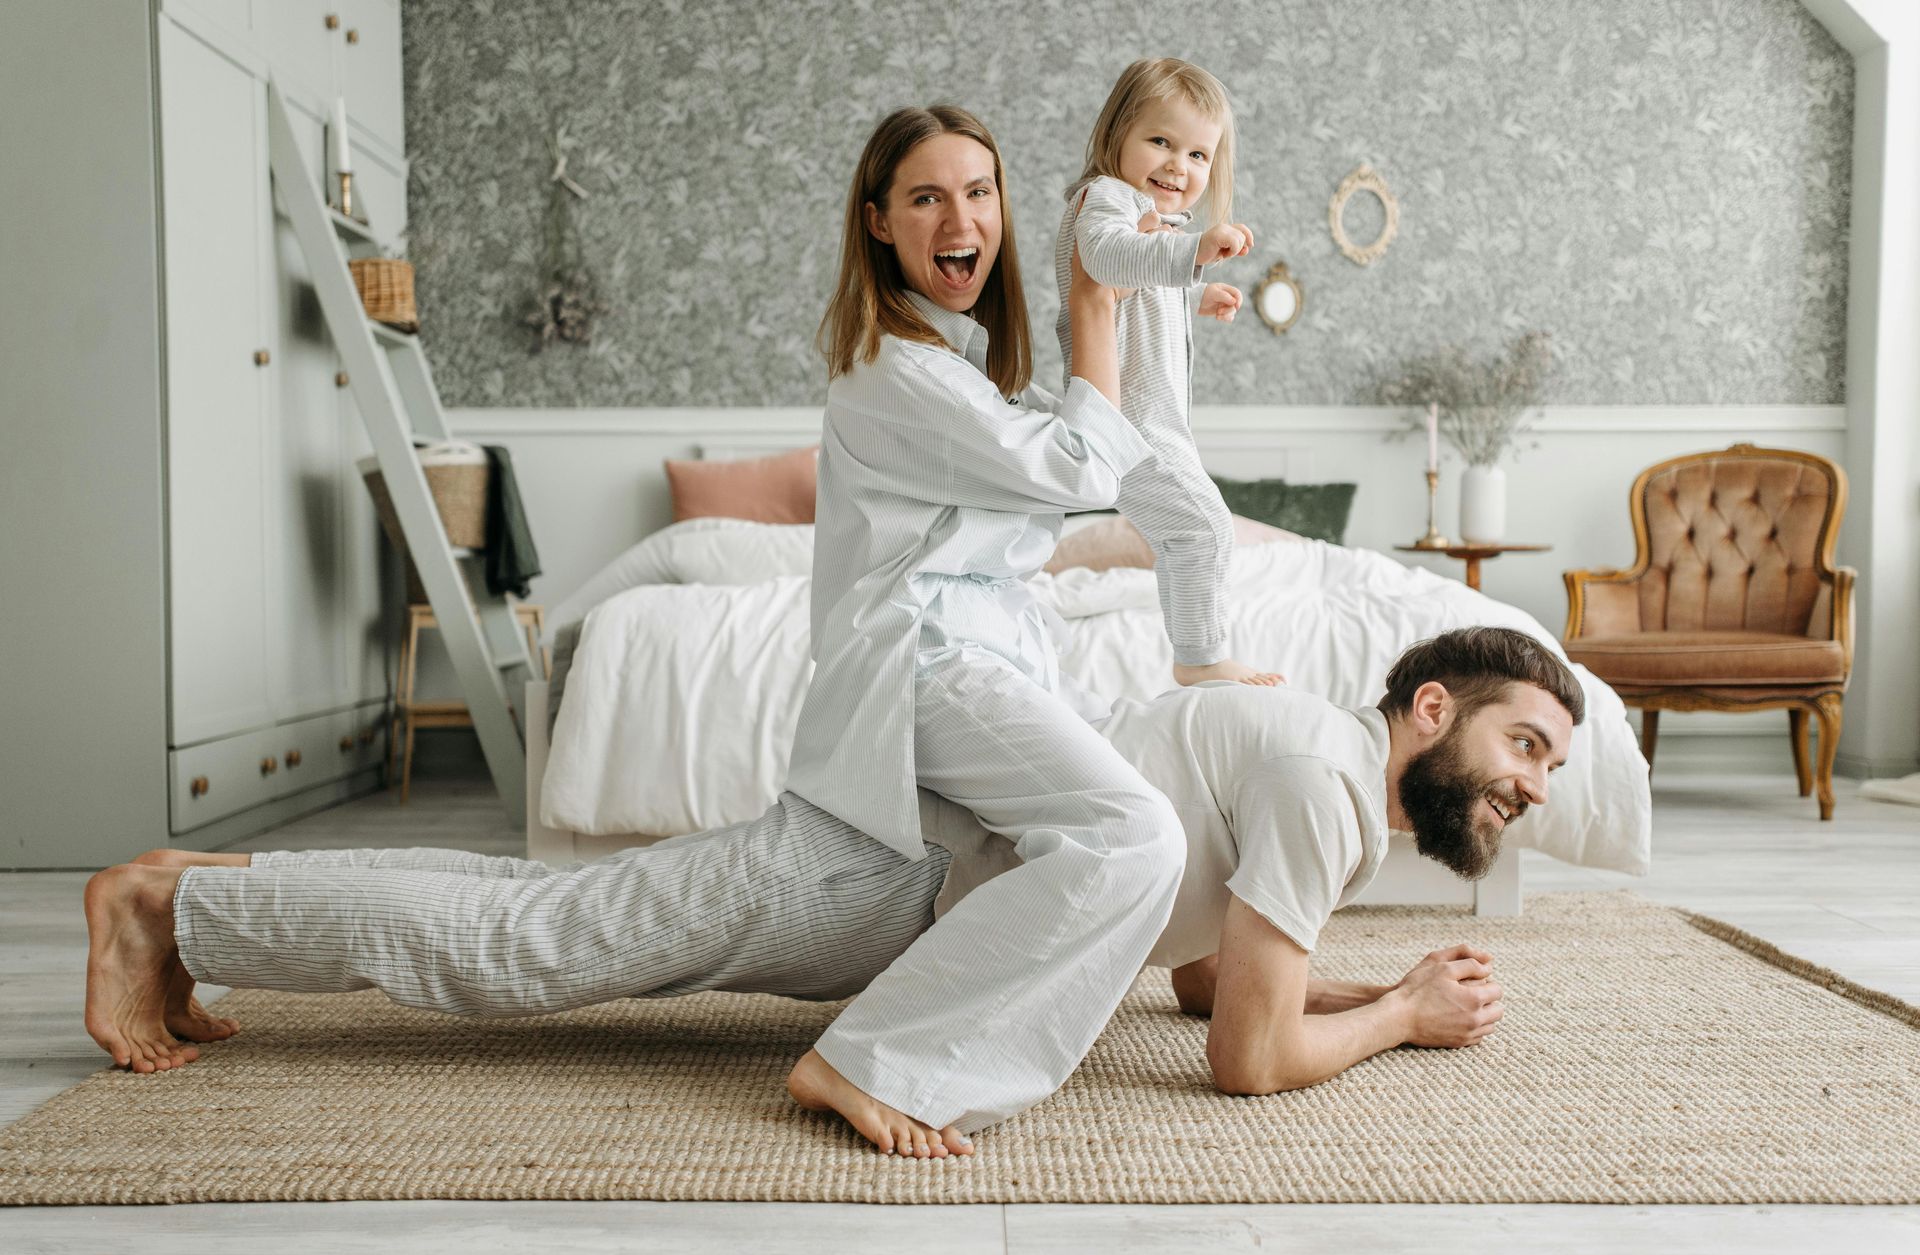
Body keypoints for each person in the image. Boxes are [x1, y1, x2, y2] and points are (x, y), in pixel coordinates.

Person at [82, 627, 1581, 1154]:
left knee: (530, 922)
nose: (1527, 786)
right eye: (1524, 742)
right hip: (885, 871)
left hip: (914, 888)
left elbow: (1198, 982)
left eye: (1552, 775)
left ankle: (205, 895)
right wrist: (1397, 1023)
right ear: (1432, 710)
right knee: (532, 944)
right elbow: (1245, 1061)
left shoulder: (1315, 770)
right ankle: (164, 909)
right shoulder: (1331, 776)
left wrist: (1368, 990)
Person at [780, 105, 1187, 1154]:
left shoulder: (965, 368)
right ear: (877, 222)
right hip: (927, 660)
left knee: (1124, 820)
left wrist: (1145, 293)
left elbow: (1095, 432)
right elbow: (1079, 469)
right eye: (925, 196)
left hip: (984, 657)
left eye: (979, 192)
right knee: (1136, 834)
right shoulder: (897, 373)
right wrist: (1093, 296)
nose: (960, 217)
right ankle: (865, 1058)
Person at [1055, 57, 1275, 689]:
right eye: (1161, 141)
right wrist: (1195, 252)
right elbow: (1105, 256)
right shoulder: (1106, 199)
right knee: (1204, 526)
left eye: (1199, 155)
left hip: (1154, 419)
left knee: (1191, 530)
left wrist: (1192, 295)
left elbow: (1138, 281)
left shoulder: (1150, 222)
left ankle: (1198, 652)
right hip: (1126, 417)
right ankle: (1200, 657)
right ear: (1116, 135)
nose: (1180, 166)